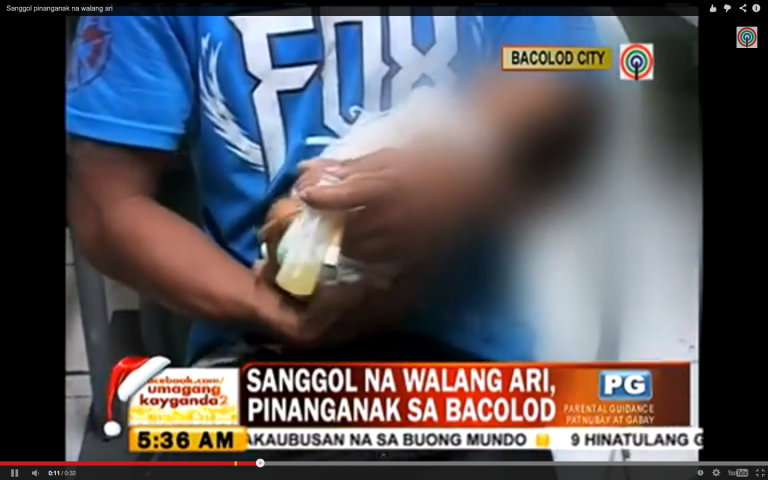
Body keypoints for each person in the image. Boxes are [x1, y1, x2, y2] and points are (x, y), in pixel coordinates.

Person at [66, 9, 602, 463]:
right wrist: (266, 306)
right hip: (254, 353)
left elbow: (567, 81)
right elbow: (106, 203)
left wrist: (458, 176)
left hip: (470, 359)